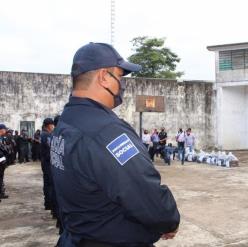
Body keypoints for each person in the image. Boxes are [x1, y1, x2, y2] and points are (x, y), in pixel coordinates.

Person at [51, 42, 180, 247]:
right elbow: (143, 191)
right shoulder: (106, 131)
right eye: (119, 77)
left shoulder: (66, 121)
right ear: (104, 77)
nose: (121, 84)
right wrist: (168, 221)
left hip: (76, 236)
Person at [40, 118, 55, 211]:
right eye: (52, 125)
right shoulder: (46, 135)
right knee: (49, 183)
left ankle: (48, 203)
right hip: (47, 162)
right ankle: (49, 203)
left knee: (47, 183)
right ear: (49, 125)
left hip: (45, 161)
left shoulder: (45, 134)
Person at [0, 124, 10, 201]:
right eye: (5, 129)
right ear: (1, 130)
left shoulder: (2, 138)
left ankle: (1, 193)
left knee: (1, 178)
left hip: (2, 161)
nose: (6, 131)